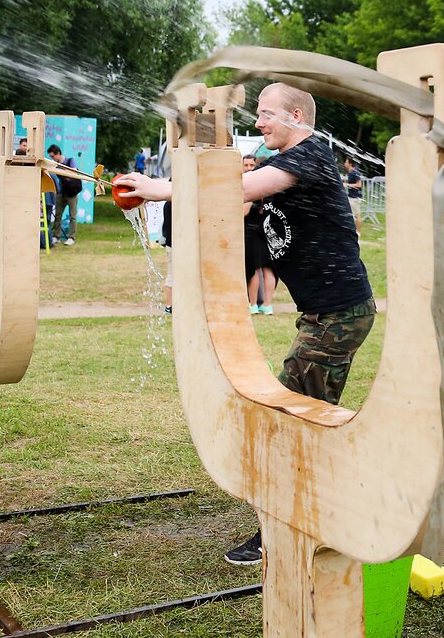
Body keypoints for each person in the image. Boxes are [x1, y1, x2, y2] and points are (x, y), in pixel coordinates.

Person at [115, 82, 375, 566]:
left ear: (296, 117)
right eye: (257, 113)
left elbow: (235, 191)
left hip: (338, 315)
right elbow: (228, 202)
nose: (258, 122)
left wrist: (158, 189)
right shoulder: (282, 164)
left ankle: (284, 531)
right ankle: (319, 515)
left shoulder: (310, 156)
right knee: (303, 423)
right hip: (327, 314)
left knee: (286, 423)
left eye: (267, 114)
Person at [242, 154, 277, 314]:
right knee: (268, 268)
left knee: (254, 268)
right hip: (268, 229)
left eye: (252, 165)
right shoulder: (271, 186)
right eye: (246, 165)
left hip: (253, 231)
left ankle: (253, 304)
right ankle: (267, 305)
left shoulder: (251, 186)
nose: (249, 168)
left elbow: (244, 211)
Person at [47, 144, 79, 246]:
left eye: (53, 156)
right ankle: (56, 236)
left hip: (72, 192)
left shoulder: (70, 161)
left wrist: (60, 170)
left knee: (72, 216)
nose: (52, 158)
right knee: (58, 215)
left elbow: (74, 172)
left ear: (58, 153)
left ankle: (71, 237)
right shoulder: (55, 164)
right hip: (61, 192)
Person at [344, 156, 363, 238]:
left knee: (357, 215)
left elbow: (359, 185)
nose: (344, 164)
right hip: (351, 196)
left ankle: (358, 232)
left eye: (346, 162)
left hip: (355, 197)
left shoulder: (355, 172)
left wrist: (348, 185)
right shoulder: (350, 172)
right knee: (349, 213)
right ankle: (351, 230)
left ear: (350, 163)